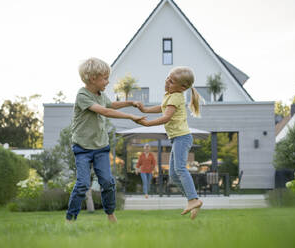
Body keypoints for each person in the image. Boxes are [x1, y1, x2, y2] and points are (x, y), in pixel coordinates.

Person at [66, 57, 145, 223]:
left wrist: (131, 103)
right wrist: (131, 116)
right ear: (93, 78)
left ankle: (110, 214)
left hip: (100, 146)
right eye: (105, 78)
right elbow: (104, 111)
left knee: (108, 182)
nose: (108, 82)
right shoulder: (82, 95)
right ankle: (70, 218)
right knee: (82, 184)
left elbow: (111, 105)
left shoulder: (101, 95)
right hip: (82, 147)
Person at [136, 66, 203, 220]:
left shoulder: (176, 96)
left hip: (182, 137)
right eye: (168, 78)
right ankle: (193, 200)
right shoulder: (171, 95)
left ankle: (193, 199)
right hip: (177, 138)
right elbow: (162, 107)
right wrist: (145, 110)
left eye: (171, 81)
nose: (167, 81)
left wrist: (147, 124)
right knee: (173, 174)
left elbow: (166, 117)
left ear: (183, 87)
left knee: (180, 169)